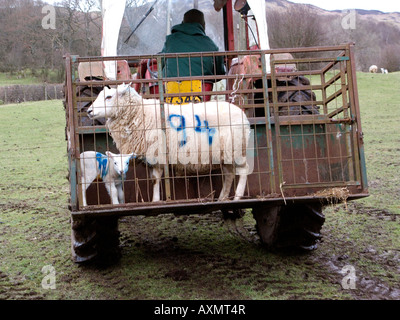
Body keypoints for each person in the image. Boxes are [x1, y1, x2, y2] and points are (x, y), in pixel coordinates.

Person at [160, 9, 225, 79]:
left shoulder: (171, 40)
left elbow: (160, 64)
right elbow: (219, 73)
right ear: (203, 25)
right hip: (203, 88)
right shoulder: (211, 44)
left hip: (171, 88)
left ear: (182, 23)